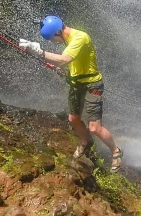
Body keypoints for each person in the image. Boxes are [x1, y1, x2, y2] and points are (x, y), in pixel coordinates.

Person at [19, 15, 123, 173]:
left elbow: (62, 60)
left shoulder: (80, 38)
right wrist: (69, 74)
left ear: (58, 32)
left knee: (94, 128)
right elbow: (75, 61)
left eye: (53, 39)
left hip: (91, 85)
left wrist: (39, 52)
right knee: (73, 119)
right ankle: (85, 142)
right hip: (77, 83)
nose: (54, 42)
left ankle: (116, 151)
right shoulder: (66, 37)